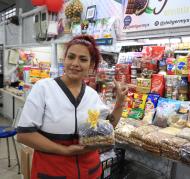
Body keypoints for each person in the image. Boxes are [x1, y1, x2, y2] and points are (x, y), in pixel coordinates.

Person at [16, 35, 128, 179]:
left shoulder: (92, 95)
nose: (75, 63)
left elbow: (107, 128)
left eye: (83, 59)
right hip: (52, 171)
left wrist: (119, 103)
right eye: (71, 57)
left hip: (89, 171)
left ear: (91, 65)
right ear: (65, 59)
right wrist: (64, 150)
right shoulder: (44, 88)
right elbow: (24, 135)